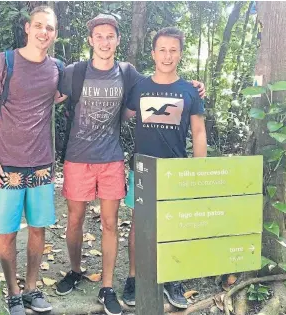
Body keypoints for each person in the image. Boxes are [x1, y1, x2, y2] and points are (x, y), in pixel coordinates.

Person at [54, 14, 205, 315]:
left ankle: (117, 285)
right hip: (95, 160)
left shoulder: (130, 75)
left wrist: (195, 87)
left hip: (120, 160)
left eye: (111, 35)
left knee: (122, 223)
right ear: (91, 40)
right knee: (82, 220)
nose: (105, 41)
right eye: (99, 36)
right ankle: (79, 270)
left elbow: (188, 119)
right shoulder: (78, 73)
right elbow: (50, 94)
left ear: (118, 40)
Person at [0, 6, 62, 315]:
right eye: (38, 26)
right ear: (28, 27)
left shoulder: (57, 69)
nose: (44, 32)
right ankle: (13, 292)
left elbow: (94, 80)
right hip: (6, 164)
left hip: (42, 165)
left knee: (39, 229)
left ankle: (32, 288)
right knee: (7, 233)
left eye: (49, 28)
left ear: (55, 32)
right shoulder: (4, 62)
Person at [122, 27, 207, 309]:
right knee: (138, 224)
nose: (167, 55)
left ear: (180, 54)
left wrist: (198, 171)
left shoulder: (189, 91)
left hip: (176, 170)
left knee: (174, 226)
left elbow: (198, 133)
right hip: (142, 169)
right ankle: (134, 278)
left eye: (173, 50)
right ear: (153, 53)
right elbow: (123, 114)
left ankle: (172, 280)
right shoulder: (140, 87)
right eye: (162, 50)